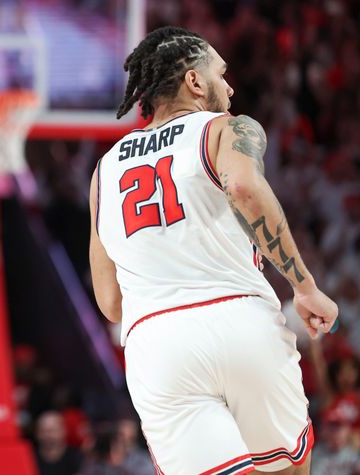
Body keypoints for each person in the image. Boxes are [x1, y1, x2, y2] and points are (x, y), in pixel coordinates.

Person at [89, 26, 339, 474]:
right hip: (240, 320)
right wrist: (304, 286)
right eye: (222, 74)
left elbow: (110, 303)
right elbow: (243, 187)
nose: (231, 86)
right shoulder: (227, 128)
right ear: (194, 82)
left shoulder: (105, 170)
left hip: (157, 341)